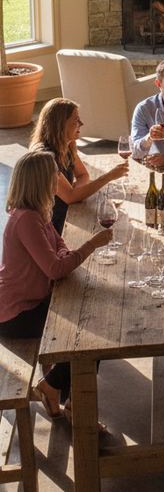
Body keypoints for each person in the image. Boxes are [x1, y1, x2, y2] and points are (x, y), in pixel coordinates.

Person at [0, 149, 113, 421]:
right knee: (90, 337)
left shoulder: (36, 210)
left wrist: (65, 253)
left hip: (32, 299)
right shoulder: (27, 219)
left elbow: (58, 243)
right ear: (41, 180)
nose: (60, 177)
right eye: (55, 174)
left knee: (91, 317)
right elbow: (55, 269)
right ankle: (56, 390)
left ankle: (63, 394)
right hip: (15, 313)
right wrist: (91, 245)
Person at [30, 98, 129, 234]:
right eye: (76, 120)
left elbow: (83, 175)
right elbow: (70, 197)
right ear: (60, 124)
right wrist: (109, 176)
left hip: (68, 211)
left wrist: (76, 193)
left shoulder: (67, 144)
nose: (81, 124)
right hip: (51, 226)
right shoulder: (44, 158)